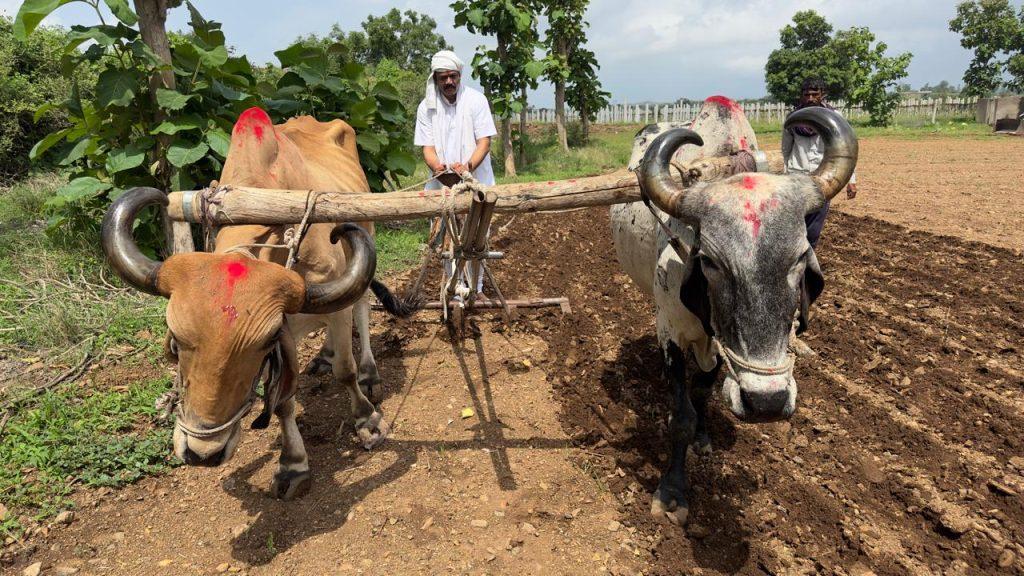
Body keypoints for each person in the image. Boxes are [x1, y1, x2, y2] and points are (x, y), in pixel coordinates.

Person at [414, 50, 497, 298]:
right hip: (442, 186)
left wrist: (468, 167)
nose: (449, 82)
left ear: (459, 76)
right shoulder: (426, 107)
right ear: (436, 79)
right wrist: (437, 167)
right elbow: (427, 149)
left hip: (476, 182)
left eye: (453, 76)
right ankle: (453, 287)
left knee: (477, 238)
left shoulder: (476, 100)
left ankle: (476, 288)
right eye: (443, 78)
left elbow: (484, 142)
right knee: (446, 239)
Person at [782, 77, 858, 248]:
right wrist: (784, 176)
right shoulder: (792, 119)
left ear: (823, 95)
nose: (810, 98)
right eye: (806, 94)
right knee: (794, 225)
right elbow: (785, 151)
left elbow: (846, 152)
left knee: (814, 229)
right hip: (796, 177)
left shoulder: (835, 119)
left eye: (814, 94)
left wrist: (851, 181)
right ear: (801, 96)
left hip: (824, 179)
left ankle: (808, 263)